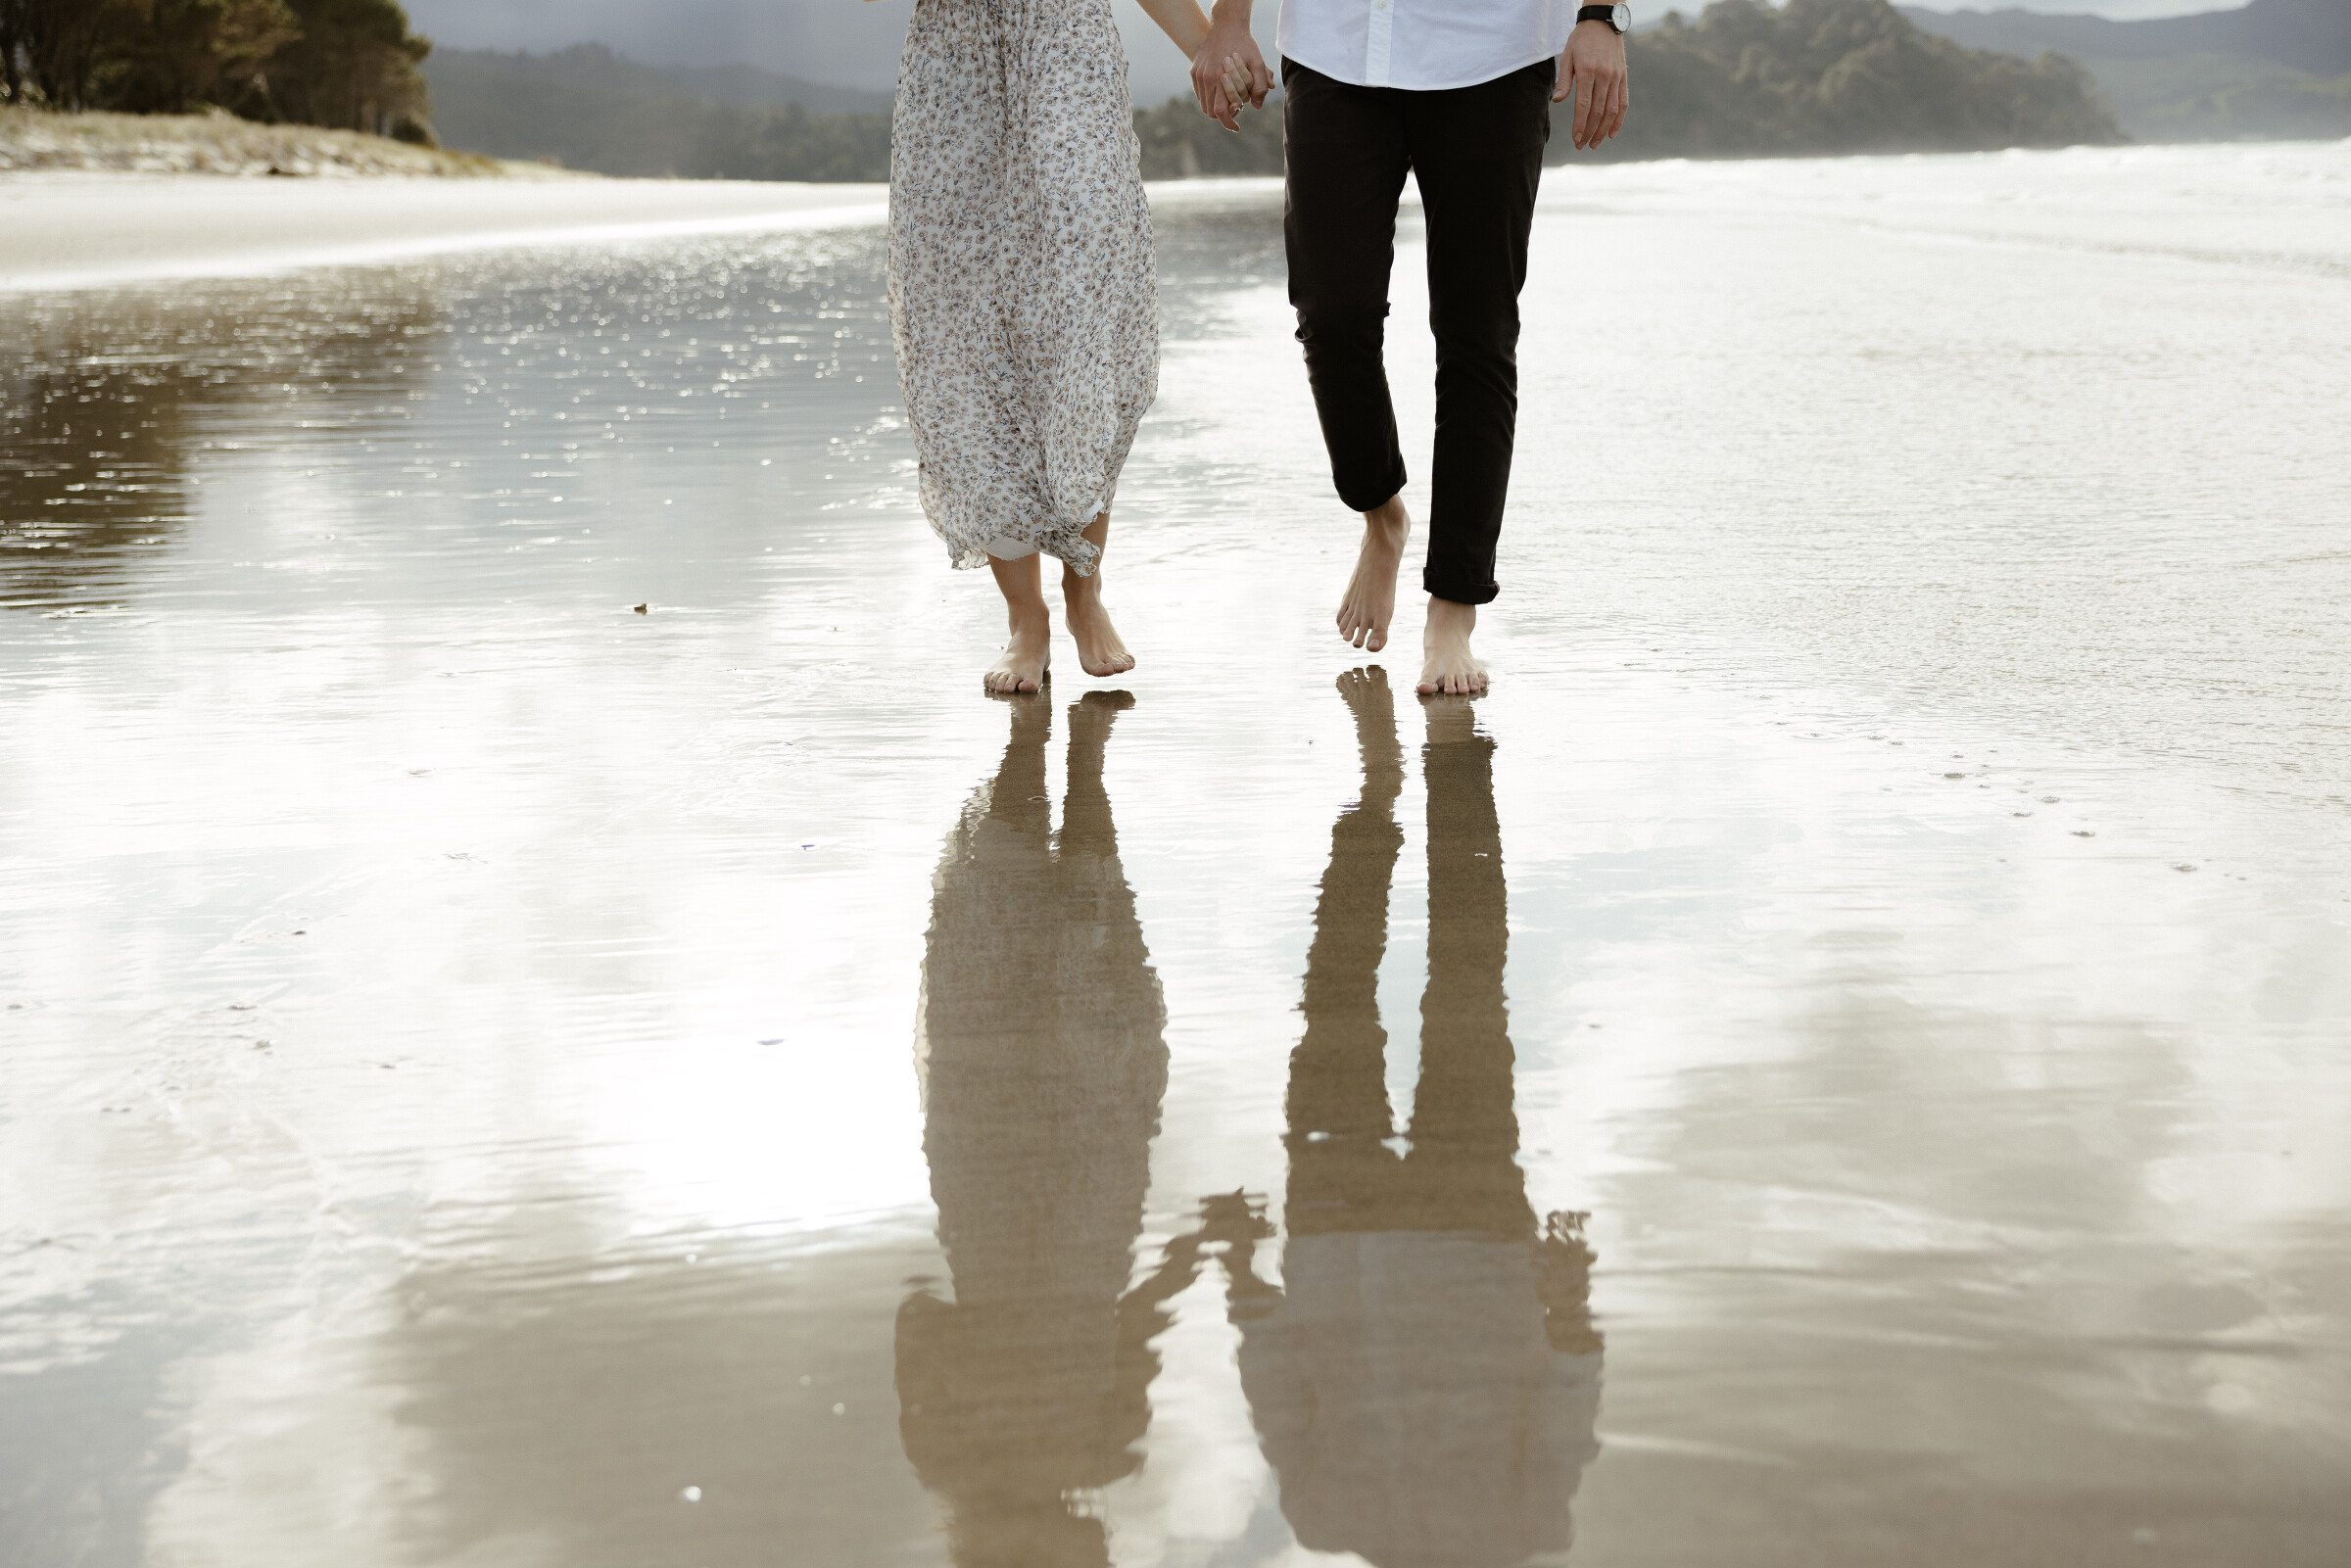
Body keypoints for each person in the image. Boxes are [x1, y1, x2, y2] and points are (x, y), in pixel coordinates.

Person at [1188, 1, 1633, 694]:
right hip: (1336, 44)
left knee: (1477, 335)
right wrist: (1229, 19)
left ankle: (1453, 610)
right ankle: (1381, 514)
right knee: (1331, 314)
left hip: (1495, 50)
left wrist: (1600, 15)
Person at [881, 0, 1247, 694]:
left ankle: (1085, 585)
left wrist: (1212, 49)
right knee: (961, 334)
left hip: (1067, 53)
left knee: (1085, 316)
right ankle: (1026, 617)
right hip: (953, 64)